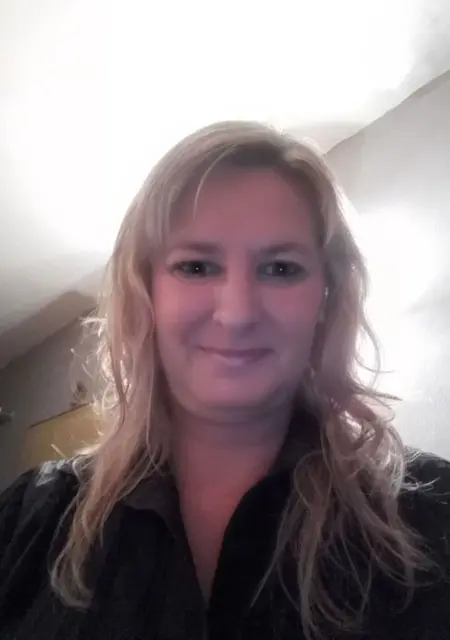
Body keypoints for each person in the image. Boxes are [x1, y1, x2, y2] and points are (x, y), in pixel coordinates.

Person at [1, 121, 450, 640]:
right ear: (145, 293)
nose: (237, 314)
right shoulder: (29, 520)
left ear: (326, 299)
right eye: (196, 267)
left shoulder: (430, 514)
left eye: (281, 269)